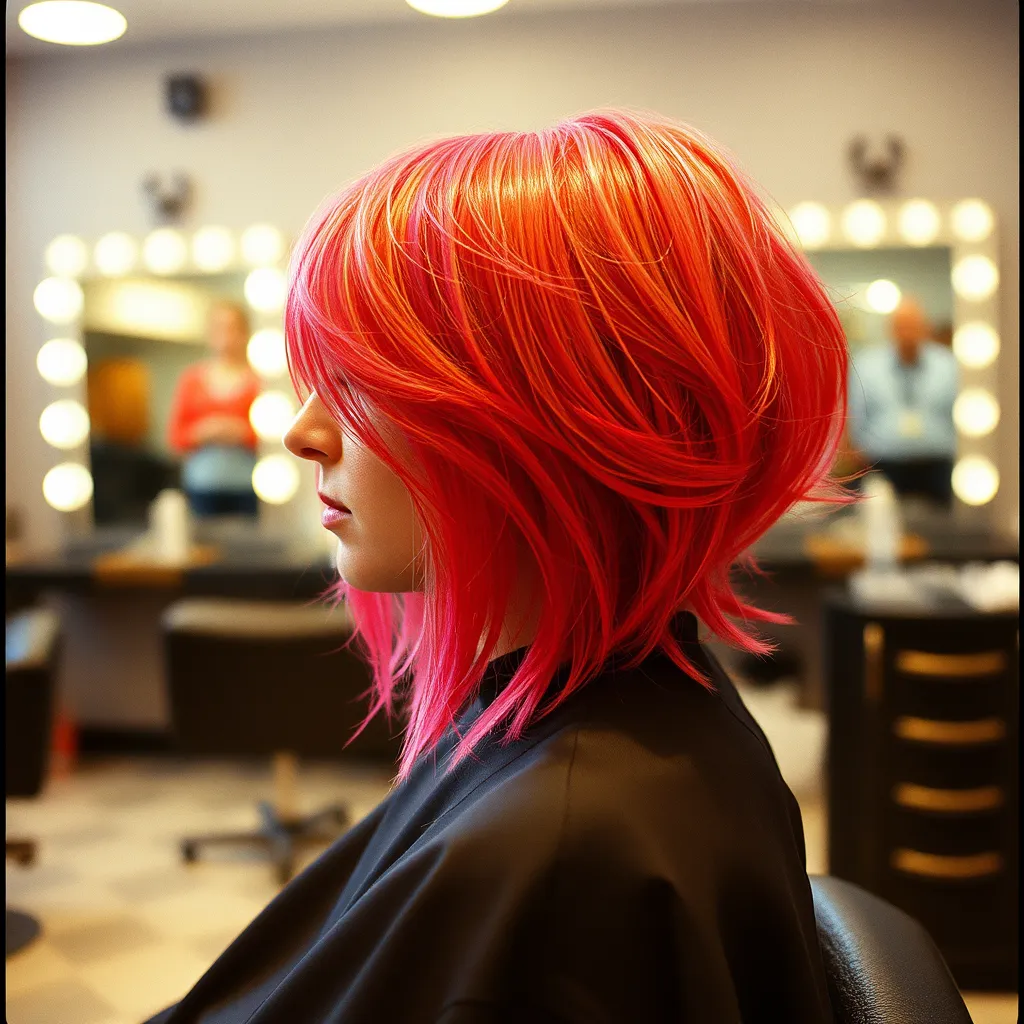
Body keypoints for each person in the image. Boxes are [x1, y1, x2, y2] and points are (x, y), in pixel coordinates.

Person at [145, 110, 848, 1023]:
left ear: (549, 415)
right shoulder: (602, 737)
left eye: (359, 384)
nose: (302, 431)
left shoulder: (563, 852)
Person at [846, 297, 958, 507]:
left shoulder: (948, 366)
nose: (907, 332)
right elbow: (856, 414)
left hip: (937, 464)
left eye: (913, 325)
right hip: (883, 464)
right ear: (891, 329)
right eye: (902, 326)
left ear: (925, 327)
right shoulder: (867, 365)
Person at [167, 300, 262, 518]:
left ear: (244, 332)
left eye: (232, 328)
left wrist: (242, 433)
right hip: (201, 487)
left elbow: (278, 442)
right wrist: (203, 432)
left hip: (248, 486)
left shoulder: (259, 381)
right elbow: (175, 439)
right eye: (219, 328)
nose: (226, 336)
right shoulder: (191, 380)